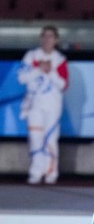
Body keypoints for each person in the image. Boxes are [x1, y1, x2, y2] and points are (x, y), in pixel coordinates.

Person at [17, 25, 68, 185]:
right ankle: (36, 172)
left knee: (50, 139)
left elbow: (64, 85)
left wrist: (50, 71)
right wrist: (39, 68)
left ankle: (51, 173)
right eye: (45, 36)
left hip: (52, 106)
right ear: (40, 38)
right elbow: (21, 78)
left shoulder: (60, 59)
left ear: (56, 40)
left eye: (51, 37)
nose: (47, 40)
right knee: (35, 138)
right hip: (34, 105)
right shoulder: (31, 56)